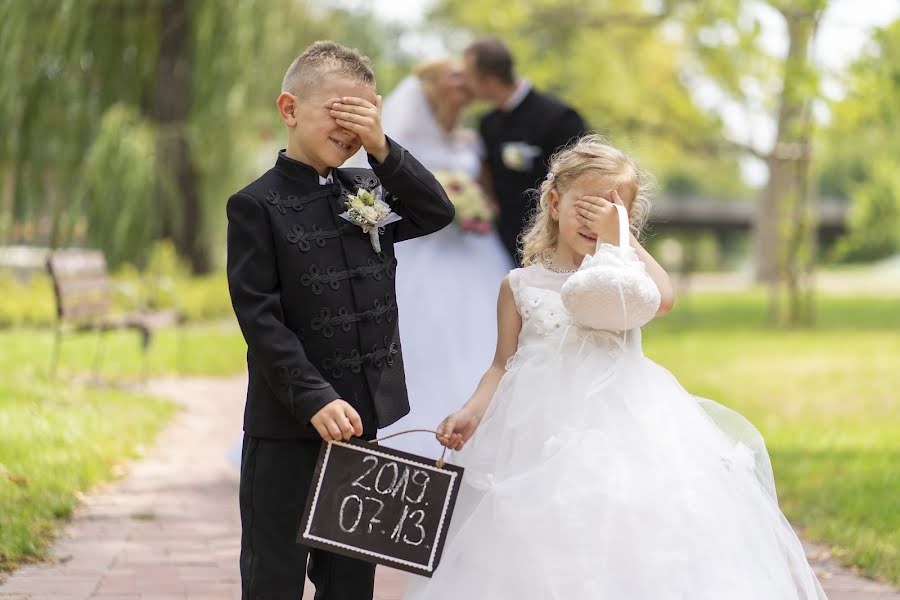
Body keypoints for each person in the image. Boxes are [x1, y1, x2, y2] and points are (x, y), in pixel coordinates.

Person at [406, 135, 828, 599]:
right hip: (535, 427)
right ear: (553, 201)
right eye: (585, 207)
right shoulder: (519, 284)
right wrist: (471, 410)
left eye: (611, 210)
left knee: (627, 518)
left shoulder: (628, 279)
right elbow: (501, 364)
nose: (594, 221)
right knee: (541, 531)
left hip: (623, 421)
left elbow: (664, 298)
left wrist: (621, 238)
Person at [226, 41, 454, 600]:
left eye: (363, 113)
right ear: (290, 109)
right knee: (273, 575)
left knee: (351, 581)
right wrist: (313, 398)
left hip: (362, 425)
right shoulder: (255, 206)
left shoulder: (368, 190)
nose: (350, 125)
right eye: (337, 109)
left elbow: (436, 210)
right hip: (287, 427)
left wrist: (381, 147)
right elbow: (260, 317)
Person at [359, 59, 513, 459]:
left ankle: (484, 428)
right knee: (422, 332)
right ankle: (412, 433)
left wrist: (475, 205)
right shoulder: (403, 132)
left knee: (487, 329)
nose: (465, 83)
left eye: (468, 76)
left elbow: (486, 190)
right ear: (432, 85)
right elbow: (380, 186)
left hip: (472, 247)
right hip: (420, 247)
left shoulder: (469, 140)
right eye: (455, 76)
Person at [463, 36, 588, 264]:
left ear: (490, 80)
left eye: (469, 76)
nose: (465, 83)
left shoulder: (559, 118)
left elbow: (579, 183)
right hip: (499, 244)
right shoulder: (487, 123)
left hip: (549, 244)